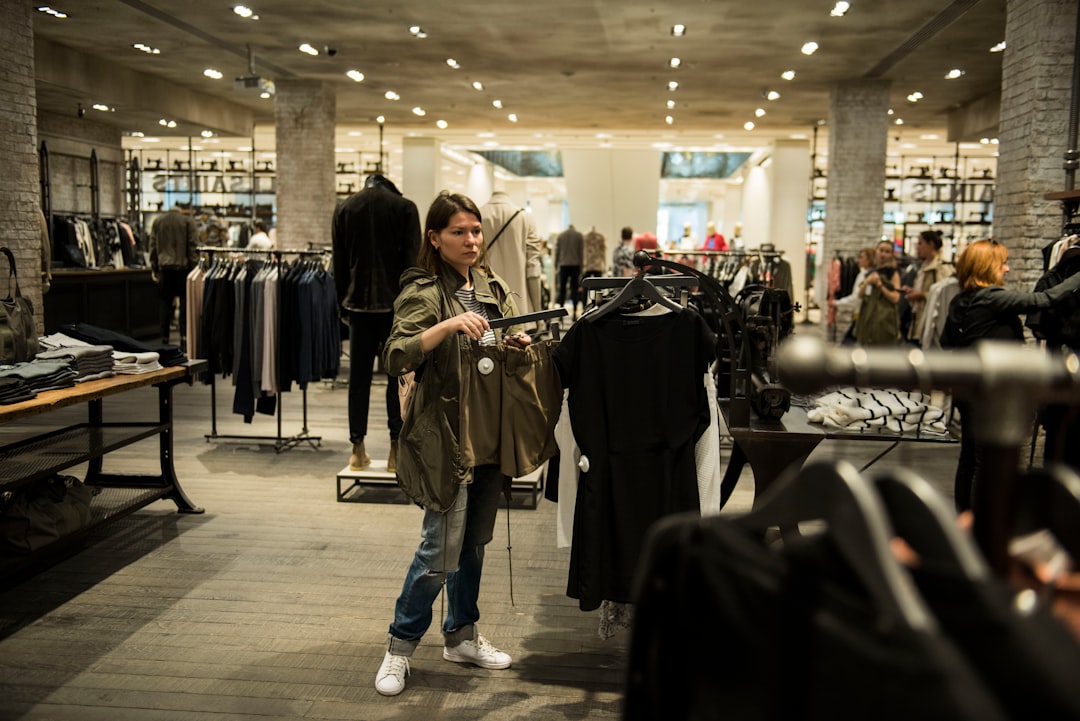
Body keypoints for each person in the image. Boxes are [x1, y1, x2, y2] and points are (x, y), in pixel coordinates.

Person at [375, 191, 530, 697]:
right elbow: (396, 355)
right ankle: (399, 649)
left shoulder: (492, 285)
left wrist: (515, 344)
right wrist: (446, 325)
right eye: (459, 232)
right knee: (437, 550)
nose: (471, 240)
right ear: (435, 238)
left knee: (474, 546)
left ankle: (461, 635)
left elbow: (497, 348)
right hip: (446, 437)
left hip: (488, 433)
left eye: (476, 231)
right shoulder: (423, 289)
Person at [940, 238, 1080, 513]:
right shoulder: (993, 298)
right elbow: (1044, 299)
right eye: (1002, 263)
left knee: (968, 457)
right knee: (983, 460)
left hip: (966, 389)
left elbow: (946, 341)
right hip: (988, 391)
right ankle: (982, 525)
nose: (1008, 269)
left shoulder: (960, 301)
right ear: (986, 267)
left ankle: (965, 517)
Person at [333, 173, 421, 472]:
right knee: (396, 377)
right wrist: (415, 308)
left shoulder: (345, 208)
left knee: (358, 380)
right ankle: (396, 451)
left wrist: (341, 305)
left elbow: (340, 262)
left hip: (357, 306)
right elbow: (412, 263)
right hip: (396, 308)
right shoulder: (405, 208)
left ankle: (357, 450)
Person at [480, 190, 543, 313]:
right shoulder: (525, 217)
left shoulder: (478, 215)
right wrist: (538, 311)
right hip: (520, 303)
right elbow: (533, 268)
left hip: (486, 300)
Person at [149, 205, 198, 346]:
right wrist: (195, 268)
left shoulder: (158, 221)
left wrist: (154, 266)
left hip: (165, 268)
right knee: (184, 304)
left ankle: (164, 338)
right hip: (182, 268)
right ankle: (184, 337)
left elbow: (152, 246)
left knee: (165, 303)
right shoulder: (187, 221)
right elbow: (192, 246)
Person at [903, 229, 954, 346]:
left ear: (930, 244)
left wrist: (921, 295)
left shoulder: (941, 268)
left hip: (931, 321)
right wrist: (913, 292)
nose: (917, 247)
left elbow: (944, 296)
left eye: (920, 243)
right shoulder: (924, 266)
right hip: (919, 318)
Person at [853, 240, 903, 346]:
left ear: (891, 255)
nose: (883, 254)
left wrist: (880, 285)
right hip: (868, 316)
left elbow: (896, 298)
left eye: (887, 252)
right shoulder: (871, 272)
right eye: (881, 250)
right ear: (876, 251)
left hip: (884, 319)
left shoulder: (893, 273)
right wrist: (867, 281)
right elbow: (859, 294)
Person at [830, 246, 875, 344]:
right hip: (862, 314)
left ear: (869, 259)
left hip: (862, 315)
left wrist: (837, 303)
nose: (859, 260)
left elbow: (857, 297)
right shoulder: (869, 275)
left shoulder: (865, 275)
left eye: (862, 257)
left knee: (848, 342)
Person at [554, 224, 584, 315]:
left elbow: (557, 251)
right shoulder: (579, 236)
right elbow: (581, 252)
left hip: (563, 264)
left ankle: (560, 312)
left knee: (562, 289)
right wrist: (582, 267)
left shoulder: (561, 235)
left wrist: (556, 264)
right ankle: (575, 312)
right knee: (574, 289)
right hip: (575, 265)